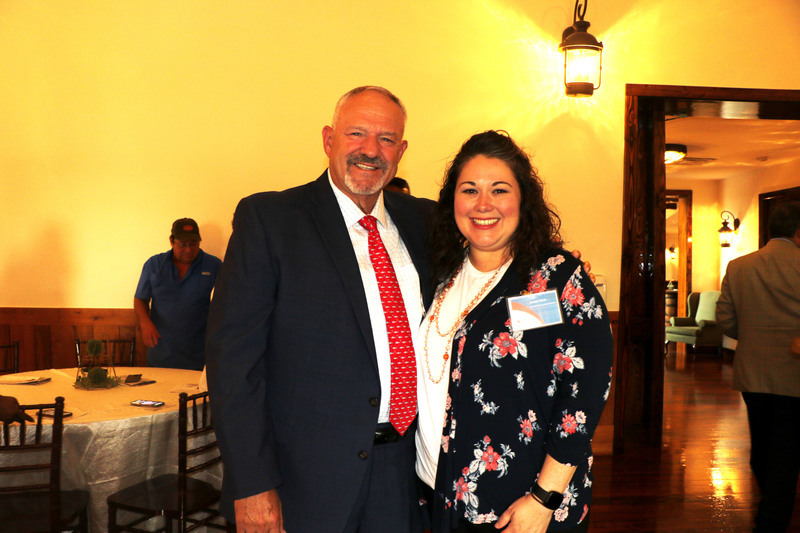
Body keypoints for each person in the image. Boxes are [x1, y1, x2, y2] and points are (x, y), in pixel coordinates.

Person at [205, 86, 434, 532]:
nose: (371, 150)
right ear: (329, 139)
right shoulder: (270, 219)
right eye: (357, 133)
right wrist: (252, 484)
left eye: (387, 139)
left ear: (402, 151)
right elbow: (233, 362)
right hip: (303, 481)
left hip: (403, 471)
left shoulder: (425, 221)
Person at [416, 131, 612, 533]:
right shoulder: (442, 272)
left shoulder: (553, 279)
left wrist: (544, 498)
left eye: (499, 189)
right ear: (452, 200)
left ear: (523, 199)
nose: (483, 204)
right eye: (470, 189)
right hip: (439, 493)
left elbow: (586, 392)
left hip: (520, 508)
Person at [716, 202, 800, 533]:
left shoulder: (739, 266)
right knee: (787, 449)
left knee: (762, 444)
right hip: (795, 372)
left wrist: (752, 336)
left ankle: (770, 507)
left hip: (752, 370)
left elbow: (725, 318)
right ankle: (772, 520)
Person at [134, 218, 222, 370]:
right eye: (182, 244)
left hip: (198, 353)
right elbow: (140, 299)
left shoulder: (214, 265)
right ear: (172, 241)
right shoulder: (154, 264)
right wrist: (145, 323)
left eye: (193, 244)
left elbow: (225, 303)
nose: (188, 249)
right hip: (161, 352)